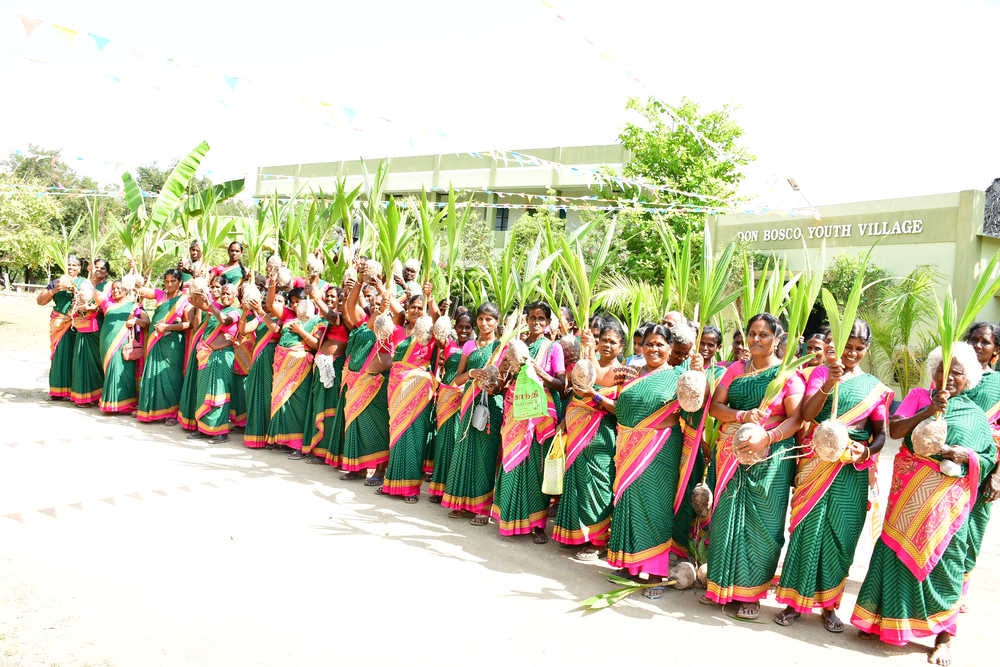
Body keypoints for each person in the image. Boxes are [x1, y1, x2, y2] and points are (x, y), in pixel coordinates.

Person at [852, 343, 996, 666]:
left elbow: (987, 457)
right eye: (942, 371)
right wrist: (930, 410)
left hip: (947, 507)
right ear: (933, 372)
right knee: (893, 556)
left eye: (956, 373)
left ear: (968, 378)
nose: (947, 379)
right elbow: (895, 430)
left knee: (946, 564)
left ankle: (943, 638)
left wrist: (964, 455)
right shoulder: (919, 397)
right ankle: (884, 622)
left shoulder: (974, 415)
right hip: (907, 498)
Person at [774, 319, 891, 632]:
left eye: (858, 348)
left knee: (841, 536)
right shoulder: (820, 374)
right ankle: (793, 602)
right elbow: (808, 415)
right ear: (834, 346)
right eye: (847, 347)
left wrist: (866, 452)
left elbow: (880, 433)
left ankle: (829, 607)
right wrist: (828, 384)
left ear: (866, 350)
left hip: (850, 471)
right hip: (816, 463)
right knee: (806, 532)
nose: (852, 353)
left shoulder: (874, 388)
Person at [703, 313, 804, 619]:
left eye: (764, 334)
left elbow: (796, 418)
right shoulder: (735, 369)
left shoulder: (787, 375)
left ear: (777, 339)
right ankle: (721, 586)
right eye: (752, 334)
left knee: (764, 523)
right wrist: (742, 417)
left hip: (770, 457)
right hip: (731, 453)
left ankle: (752, 592)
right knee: (726, 517)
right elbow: (715, 407)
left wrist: (767, 438)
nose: (757, 339)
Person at [606, 324, 685, 596]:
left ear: (671, 348)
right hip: (628, 447)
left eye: (660, 344)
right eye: (649, 344)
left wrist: (699, 378)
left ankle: (654, 572)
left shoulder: (678, 377)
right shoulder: (632, 374)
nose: (654, 349)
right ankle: (628, 563)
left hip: (659, 449)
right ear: (641, 346)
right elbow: (620, 407)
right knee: (627, 501)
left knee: (654, 506)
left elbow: (694, 411)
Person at [554, 318, 636, 559]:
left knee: (598, 485)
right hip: (577, 433)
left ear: (622, 347)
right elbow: (574, 397)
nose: (607, 345)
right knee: (577, 482)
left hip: (604, 437)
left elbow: (622, 409)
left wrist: (595, 397)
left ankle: (598, 540)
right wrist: (563, 422)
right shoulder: (587, 365)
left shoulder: (626, 372)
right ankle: (574, 534)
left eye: (613, 342)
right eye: (604, 340)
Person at [491, 302, 565, 543]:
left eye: (541, 318)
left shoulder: (553, 348)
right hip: (515, 412)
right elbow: (500, 386)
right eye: (532, 317)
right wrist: (506, 370)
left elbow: (561, 384)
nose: (536, 322)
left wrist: (537, 371)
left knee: (535, 468)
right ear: (525, 319)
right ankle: (509, 519)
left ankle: (537, 525)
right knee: (512, 464)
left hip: (539, 416)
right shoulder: (515, 346)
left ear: (548, 322)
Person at [442, 302, 505, 525]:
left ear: (497, 322)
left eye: (489, 319)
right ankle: (460, 501)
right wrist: (472, 373)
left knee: (485, 455)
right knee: (464, 449)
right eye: (481, 319)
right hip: (469, 403)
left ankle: (482, 507)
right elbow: (456, 378)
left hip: (491, 407)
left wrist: (493, 386)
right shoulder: (469, 346)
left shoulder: (501, 347)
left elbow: (505, 382)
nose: (484, 323)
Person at [338, 261, 398, 481]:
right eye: (370, 300)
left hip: (375, 383)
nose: (374, 303)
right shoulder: (361, 324)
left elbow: (386, 305)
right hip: (355, 381)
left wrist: (382, 290)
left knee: (378, 424)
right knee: (355, 424)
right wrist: (359, 281)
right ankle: (358, 468)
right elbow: (349, 305)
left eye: (378, 301)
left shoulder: (384, 324)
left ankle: (380, 470)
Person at [379, 292, 439, 502]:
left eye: (420, 308)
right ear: (408, 309)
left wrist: (431, 299)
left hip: (418, 392)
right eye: (413, 306)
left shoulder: (430, 336)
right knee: (396, 436)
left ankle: (411, 489)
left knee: (414, 437)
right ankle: (391, 483)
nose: (416, 310)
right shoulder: (396, 330)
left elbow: (439, 317)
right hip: (396, 388)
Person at [959, 322, 1000, 604]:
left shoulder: (998, 385)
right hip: (947, 464)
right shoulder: (953, 377)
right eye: (973, 340)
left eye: (984, 342)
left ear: (996, 350)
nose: (977, 346)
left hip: (983, 468)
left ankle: (957, 592)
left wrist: (997, 475)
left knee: (972, 527)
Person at [268, 291, 326, 454]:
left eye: (299, 302)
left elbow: (316, 344)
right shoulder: (290, 320)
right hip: (282, 368)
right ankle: (281, 439)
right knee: (282, 402)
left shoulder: (318, 321)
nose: (297, 305)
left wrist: (301, 331)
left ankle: (297, 444)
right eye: (293, 302)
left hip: (300, 369)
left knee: (297, 404)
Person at [428, 311, 474, 502]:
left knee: (456, 442)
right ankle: (438, 487)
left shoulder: (474, 348)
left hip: (464, 399)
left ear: (473, 329)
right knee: (443, 441)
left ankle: (452, 487)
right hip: (446, 397)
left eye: (468, 327)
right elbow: (435, 330)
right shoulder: (448, 344)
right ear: (454, 327)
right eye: (460, 326)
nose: (463, 330)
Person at [136, 269, 191, 424]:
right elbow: (141, 290)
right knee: (153, 374)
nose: (169, 284)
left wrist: (168, 327)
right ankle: (151, 410)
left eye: (173, 281)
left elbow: (189, 324)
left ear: (180, 282)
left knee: (170, 378)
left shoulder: (184, 300)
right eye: (166, 281)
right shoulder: (161, 295)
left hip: (172, 346)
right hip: (155, 341)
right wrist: (136, 273)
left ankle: (171, 413)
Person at [301, 285, 349, 462]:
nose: (329, 299)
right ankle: (313, 448)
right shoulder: (322, 319)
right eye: (327, 296)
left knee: (329, 408)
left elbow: (333, 317)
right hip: (321, 366)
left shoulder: (343, 317)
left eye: (333, 297)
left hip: (334, 367)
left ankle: (324, 451)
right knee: (317, 406)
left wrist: (315, 297)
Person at [189, 281, 241, 442]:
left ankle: (220, 431)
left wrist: (211, 305)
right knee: (203, 391)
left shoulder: (235, 312)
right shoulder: (215, 308)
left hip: (222, 356)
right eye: (223, 293)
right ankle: (203, 428)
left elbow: (225, 321)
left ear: (235, 297)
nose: (225, 296)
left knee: (219, 393)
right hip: (207, 356)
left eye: (228, 293)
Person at [241, 288, 284, 448]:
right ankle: (255, 434)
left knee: (268, 397)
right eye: (274, 300)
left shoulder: (282, 320)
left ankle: (270, 436)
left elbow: (276, 330)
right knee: (254, 394)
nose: (275, 303)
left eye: (280, 301)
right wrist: (246, 313)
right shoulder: (259, 318)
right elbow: (243, 330)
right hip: (257, 360)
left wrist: (260, 311)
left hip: (272, 361)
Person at [36, 255, 82, 400]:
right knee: (60, 354)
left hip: (79, 324)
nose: (71, 267)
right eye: (68, 265)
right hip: (60, 323)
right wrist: (55, 290)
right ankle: (58, 390)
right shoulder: (56, 282)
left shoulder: (84, 283)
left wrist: (78, 293)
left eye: (74, 265)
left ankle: (76, 391)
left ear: (79, 268)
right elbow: (40, 301)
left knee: (78, 357)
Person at [95, 279, 144, 414]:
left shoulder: (133, 306)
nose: (116, 290)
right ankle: (111, 403)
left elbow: (147, 322)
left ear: (126, 290)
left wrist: (135, 320)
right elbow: (95, 294)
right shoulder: (108, 304)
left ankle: (124, 404)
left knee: (123, 371)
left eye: (119, 288)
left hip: (123, 343)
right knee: (110, 371)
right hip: (106, 342)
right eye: (114, 288)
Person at [177, 275, 219, 432]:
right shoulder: (200, 304)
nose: (214, 290)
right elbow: (196, 325)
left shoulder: (220, 306)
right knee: (193, 379)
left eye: (217, 287)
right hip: (199, 343)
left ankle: (203, 422)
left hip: (211, 348)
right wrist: (200, 306)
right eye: (212, 287)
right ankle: (190, 419)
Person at [68, 259, 109, 406]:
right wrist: (78, 305)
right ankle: (82, 396)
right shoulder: (84, 284)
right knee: (81, 360)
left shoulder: (108, 286)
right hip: (83, 325)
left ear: (107, 272)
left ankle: (98, 395)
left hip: (99, 325)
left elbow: (105, 304)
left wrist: (91, 308)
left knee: (96, 361)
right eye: (96, 267)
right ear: (91, 268)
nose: (99, 270)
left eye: (103, 269)